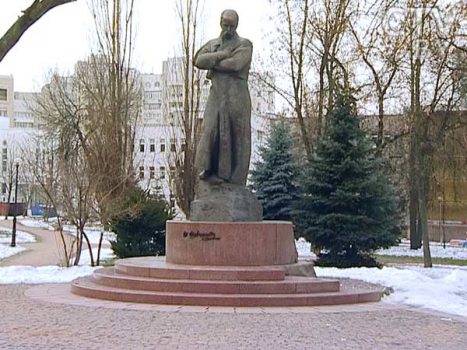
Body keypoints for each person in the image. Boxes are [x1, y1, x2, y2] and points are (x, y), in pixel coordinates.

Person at [194, 9, 253, 186]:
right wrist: (219, 55)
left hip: (237, 96)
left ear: (237, 25)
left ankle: (234, 179)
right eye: (225, 25)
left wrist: (211, 64)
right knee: (210, 128)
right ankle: (208, 169)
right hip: (217, 95)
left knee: (236, 137)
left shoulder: (245, 44)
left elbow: (235, 64)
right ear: (220, 23)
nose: (228, 29)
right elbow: (198, 60)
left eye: (232, 26)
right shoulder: (214, 44)